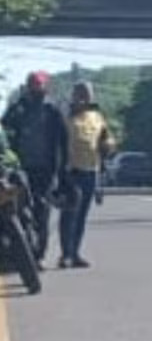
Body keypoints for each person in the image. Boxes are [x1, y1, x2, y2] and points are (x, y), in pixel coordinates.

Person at [1, 70, 69, 264]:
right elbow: (2, 131)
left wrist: (63, 172)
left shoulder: (53, 111)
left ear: (45, 88)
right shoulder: (17, 109)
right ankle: (18, 251)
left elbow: (63, 142)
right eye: (32, 85)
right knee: (17, 209)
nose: (35, 89)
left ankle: (39, 254)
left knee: (42, 210)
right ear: (27, 87)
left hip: (45, 169)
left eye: (38, 86)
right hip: (19, 168)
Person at [58, 81, 114, 268]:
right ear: (73, 95)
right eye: (79, 93)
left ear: (91, 96)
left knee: (81, 216)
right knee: (69, 214)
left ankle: (75, 253)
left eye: (87, 94)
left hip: (91, 171)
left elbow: (106, 138)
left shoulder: (97, 117)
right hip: (71, 171)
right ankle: (65, 254)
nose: (83, 97)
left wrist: (108, 145)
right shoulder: (65, 114)